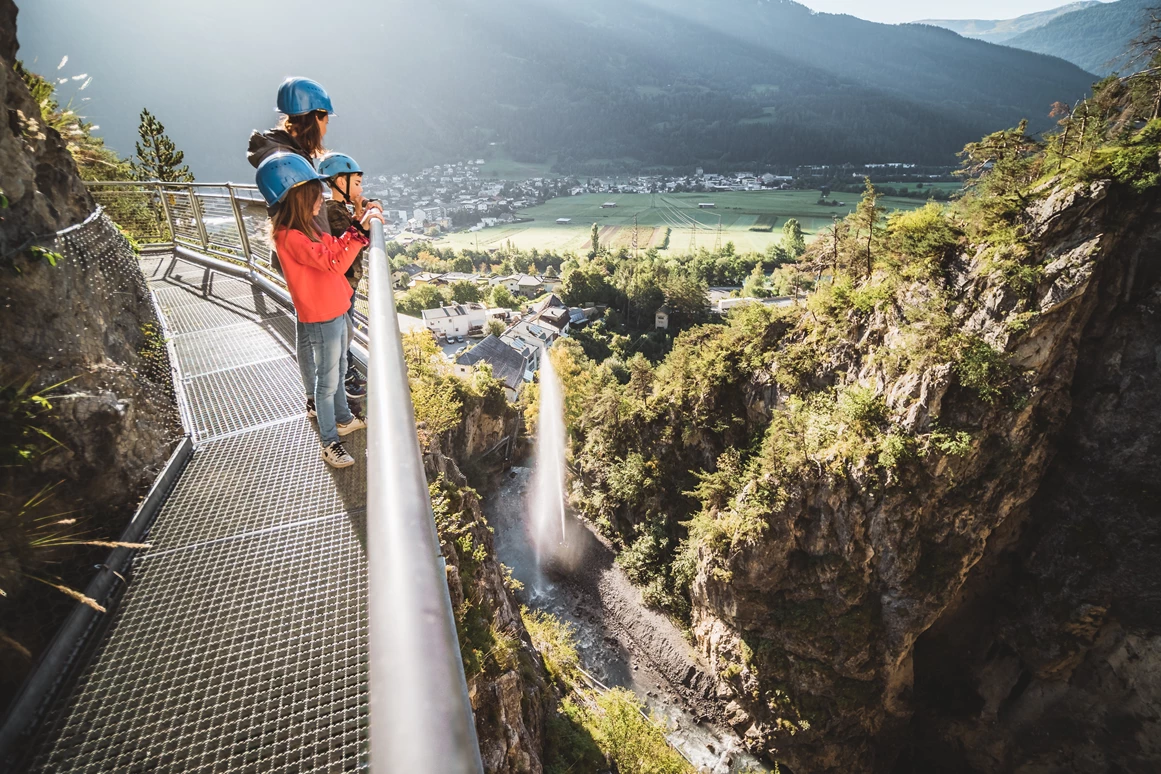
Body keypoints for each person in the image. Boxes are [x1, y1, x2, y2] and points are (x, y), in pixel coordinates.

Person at [255, 152, 380, 469]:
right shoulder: (289, 237)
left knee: (337, 369)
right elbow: (333, 260)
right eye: (315, 193)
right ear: (298, 197)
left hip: (335, 307)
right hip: (322, 315)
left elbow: (335, 248)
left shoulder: (307, 228)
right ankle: (329, 442)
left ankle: (342, 419)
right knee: (326, 383)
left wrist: (356, 226)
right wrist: (359, 232)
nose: (321, 198)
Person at [246, 76, 335, 414]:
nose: (327, 127)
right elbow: (302, 213)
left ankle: (321, 394)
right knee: (311, 327)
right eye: (325, 118)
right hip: (306, 253)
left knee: (309, 323)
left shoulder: (282, 152)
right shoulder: (286, 156)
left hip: (302, 251)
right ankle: (319, 398)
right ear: (314, 116)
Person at [317, 151, 376, 400]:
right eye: (358, 182)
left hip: (345, 284)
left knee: (345, 330)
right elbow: (350, 242)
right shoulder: (334, 211)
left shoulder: (339, 209)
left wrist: (359, 212)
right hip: (344, 284)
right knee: (344, 332)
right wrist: (363, 218)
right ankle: (346, 377)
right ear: (341, 182)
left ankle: (345, 373)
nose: (361, 187)